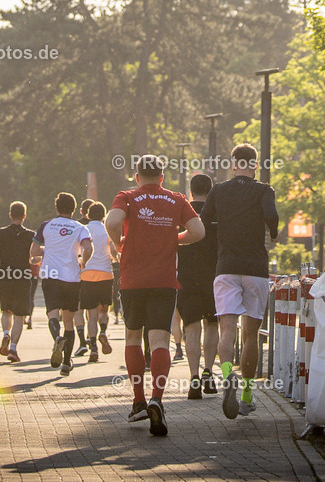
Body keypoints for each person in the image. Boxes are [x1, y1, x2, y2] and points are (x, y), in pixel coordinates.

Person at [106, 154, 204, 437]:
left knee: (133, 336)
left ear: (137, 177)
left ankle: (137, 400)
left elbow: (112, 221)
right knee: (160, 339)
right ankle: (157, 398)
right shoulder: (175, 199)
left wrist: (118, 242)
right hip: (164, 281)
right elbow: (198, 231)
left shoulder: (127, 196)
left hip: (133, 280)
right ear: (162, 177)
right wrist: (176, 238)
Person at [200, 143, 279, 419]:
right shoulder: (263, 190)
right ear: (255, 165)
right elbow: (271, 215)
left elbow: (202, 220)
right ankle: (246, 394)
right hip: (255, 268)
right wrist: (274, 231)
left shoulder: (218, 190)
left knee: (227, 330)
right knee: (251, 335)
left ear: (233, 164)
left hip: (226, 268)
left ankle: (225, 376)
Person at [30, 192, 92, 376]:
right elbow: (88, 248)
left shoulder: (46, 226)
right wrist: (83, 262)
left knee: (52, 314)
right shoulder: (80, 227)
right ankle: (66, 364)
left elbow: (33, 251)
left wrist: (47, 250)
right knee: (69, 321)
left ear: (56, 207)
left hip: (51, 275)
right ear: (74, 209)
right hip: (72, 277)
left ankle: (57, 338)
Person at [177, 173, 220, 399]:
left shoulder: (182, 213)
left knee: (191, 327)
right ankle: (209, 372)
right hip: (214, 277)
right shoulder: (218, 214)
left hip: (186, 277)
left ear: (190, 191)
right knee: (212, 324)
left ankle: (193, 377)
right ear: (210, 191)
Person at [0, 202, 35, 362]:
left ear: (10, 215)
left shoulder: (0, 233)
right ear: (24, 216)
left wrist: (1, 252)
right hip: (23, 277)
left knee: (6, 310)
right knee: (20, 316)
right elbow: (34, 256)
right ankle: (13, 348)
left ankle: (6, 334)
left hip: (5, 276)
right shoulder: (30, 235)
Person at [79, 201, 117, 362]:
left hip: (86, 274)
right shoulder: (107, 230)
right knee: (104, 311)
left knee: (91, 313)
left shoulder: (84, 229)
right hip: (105, 274)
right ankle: (103, 331)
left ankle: (93, 347)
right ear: (104, 215)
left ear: (88, 214)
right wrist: (115, 258)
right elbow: (114, 251)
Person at [72, 199, 94, 357]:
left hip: (79, 272)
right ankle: (91, 337)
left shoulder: (76, 227)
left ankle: (81, 341)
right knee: (91, 309)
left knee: (78, 308)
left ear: (81, 211)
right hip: (97, 273)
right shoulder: (100, 225)